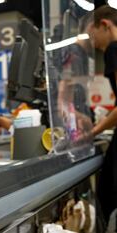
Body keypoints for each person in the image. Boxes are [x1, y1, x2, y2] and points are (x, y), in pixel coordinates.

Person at [89, 5, 117, 223]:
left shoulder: (114, 48)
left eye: (94, 33)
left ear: (105, 25)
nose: (94, 42)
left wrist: (93, 131)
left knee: (106, 195)